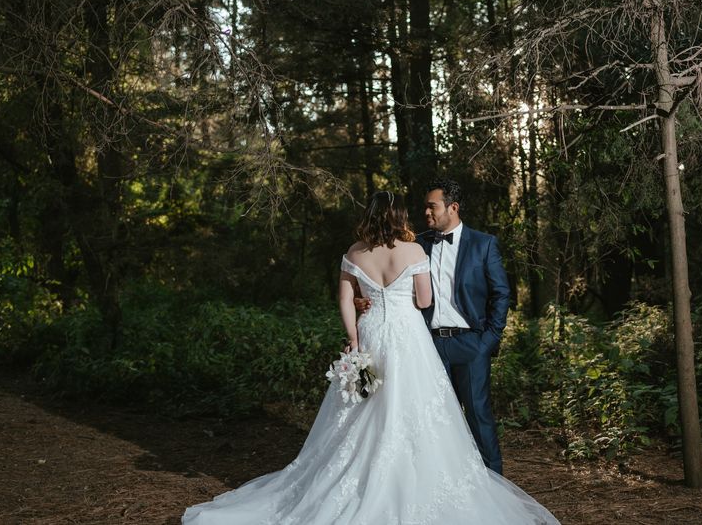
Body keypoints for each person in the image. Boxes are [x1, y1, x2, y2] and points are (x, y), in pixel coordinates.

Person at [181, 191, 558, 525]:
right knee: (418, 411)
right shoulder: (414, 250)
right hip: (410, 338)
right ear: (398, 218)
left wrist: (354, 338)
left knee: (364, 413)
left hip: (373, 335)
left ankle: (358, 480)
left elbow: (345, 299)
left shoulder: (354, 252)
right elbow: (425, 301)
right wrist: (402, 300)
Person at [357, 178, 509, 475]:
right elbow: (391, 286)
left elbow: (501, 294)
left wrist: (488, 339)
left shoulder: (483, 244)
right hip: (426, 346)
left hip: (471, 344)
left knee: (478, 415)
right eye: (425, 206)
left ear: (453, 207)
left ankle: (494, 483)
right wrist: (364, 301)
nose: (426, 212)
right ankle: (444, 479)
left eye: (432, 206)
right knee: (435, 419)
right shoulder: (417, 245)